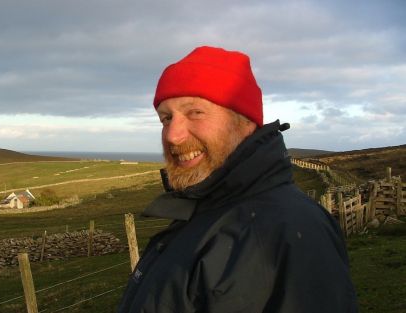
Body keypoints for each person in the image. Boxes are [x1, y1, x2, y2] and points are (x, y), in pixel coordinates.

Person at [117, 46, 358, 312]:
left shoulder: (283, 232)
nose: (173, 135)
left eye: (195, 112)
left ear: (244, 122)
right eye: (166, 118)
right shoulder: (210, 211)